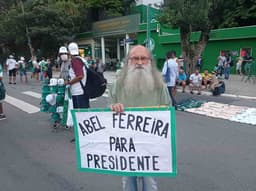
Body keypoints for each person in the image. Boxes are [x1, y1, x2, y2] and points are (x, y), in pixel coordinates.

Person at [110, 45, 170, 191]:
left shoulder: (160, 85)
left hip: (150, 144)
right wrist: (113, 107)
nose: (139, 62)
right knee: (127, 181)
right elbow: (109, 108)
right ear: (128, 61)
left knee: (150, 182)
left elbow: (167, 110)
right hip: (125, 145)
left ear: (150, 61)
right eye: (135, 58)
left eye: (143, 58)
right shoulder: (118, 84)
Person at [66, 42, 89, 109]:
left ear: (70, 51)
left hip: (78, 92)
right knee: (84, 114)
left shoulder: (75, 61)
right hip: (83, 90)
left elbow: (80, 76)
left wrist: (69, 82)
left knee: (79, 115)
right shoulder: (82, 59)